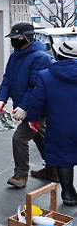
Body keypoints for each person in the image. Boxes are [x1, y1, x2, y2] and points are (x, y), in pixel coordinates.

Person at [0, 23, 54, 188]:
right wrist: (2, 98)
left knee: (19, 138)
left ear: (27, 37)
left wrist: (24, 107)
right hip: (24, 104)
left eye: (17, 38)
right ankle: (53, 169)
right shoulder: (15, 56)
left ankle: (20, 175)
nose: (13, 41)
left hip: (38, 107)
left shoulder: (40, 57)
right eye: (12, 38)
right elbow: (7, 79)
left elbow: (36, 86)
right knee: (39, 136)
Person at [25, 41, 77, 206]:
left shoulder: (45, 76)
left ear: (58, 55)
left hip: (60, 126)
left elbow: (36, 103)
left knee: (64, 159)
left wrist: (33, 120)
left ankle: (68, 194)